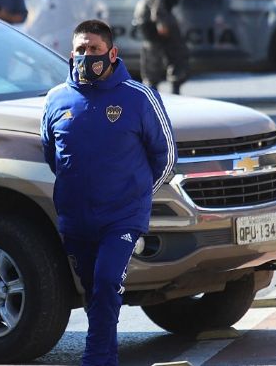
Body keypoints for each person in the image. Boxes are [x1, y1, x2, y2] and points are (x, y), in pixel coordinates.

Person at [40, 19, 175, 366]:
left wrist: (139, 195)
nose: (87, 56)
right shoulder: (56, 100)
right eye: (81, 50)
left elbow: (166, 155)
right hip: (76, 218)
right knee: (93, 291)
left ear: (112, 53)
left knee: (106, 281)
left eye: (95, 49)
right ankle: (104, 350)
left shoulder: (138, 97)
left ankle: (98, 358)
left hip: (122, 218)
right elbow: (52, 155)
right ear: (71, 55)